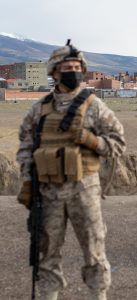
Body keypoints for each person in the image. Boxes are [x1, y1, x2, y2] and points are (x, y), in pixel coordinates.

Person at [16, 40, 126, 300]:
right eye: (68, 67)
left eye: (78, 66)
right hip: (48, 192)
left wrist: (91, 140)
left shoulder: (94, 106)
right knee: (47, 253)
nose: (73, 71)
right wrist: (27, 181)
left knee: (94, 250)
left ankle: (98, 295)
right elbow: (25, 148)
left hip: (84, 190)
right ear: (54, 72)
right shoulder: (39, 110)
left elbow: (118, 144)